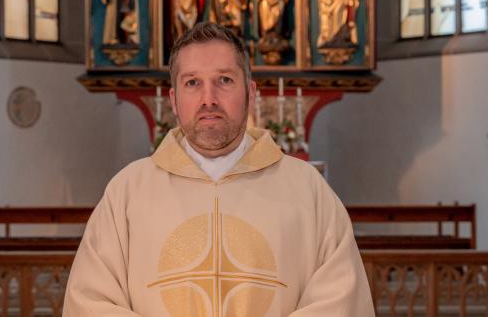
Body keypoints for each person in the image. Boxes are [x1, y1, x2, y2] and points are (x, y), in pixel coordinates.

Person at [64, 22, 374, 316]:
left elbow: (341, 299)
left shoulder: (307, 189)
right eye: (192, 83)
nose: (208, 99)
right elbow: (90, 301)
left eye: (224, 80)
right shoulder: (127, 193)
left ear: (250, 92)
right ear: (173, 99)